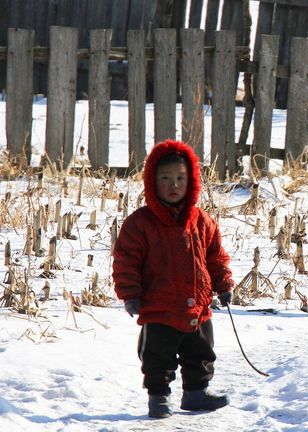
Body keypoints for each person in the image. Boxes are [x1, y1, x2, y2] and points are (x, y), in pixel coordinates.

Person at [113, 139, 234, 419]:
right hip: (159, 306)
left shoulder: (203, 221)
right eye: (165, 178)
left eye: (180, 178)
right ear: (152, 182)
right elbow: (126, 262)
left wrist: (223, 283)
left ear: (191, 181)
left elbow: (215, 257)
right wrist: (131, 293)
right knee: (157, 355)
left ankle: (196, 393)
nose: (174, 185)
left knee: (201, 351)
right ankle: (158, 398)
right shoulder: (139, 224)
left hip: (198, 306)